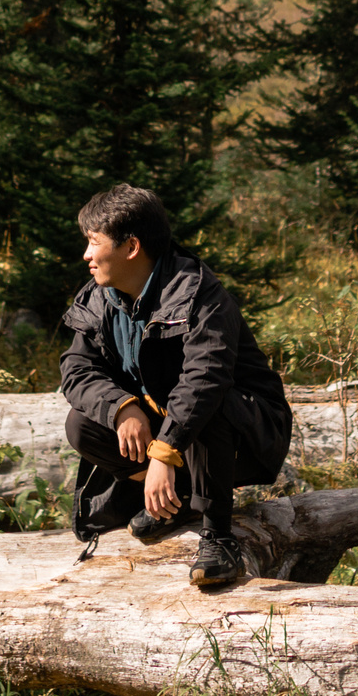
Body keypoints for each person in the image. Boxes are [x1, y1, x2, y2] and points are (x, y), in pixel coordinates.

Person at [58, 185, 292, 591]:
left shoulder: (199, 294)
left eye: (94, 242)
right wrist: (122, 407)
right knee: (82, 425)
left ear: (131, 247)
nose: (86, 255)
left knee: (210, 404)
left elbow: (206, 380)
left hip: (247, 430)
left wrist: (164, 453)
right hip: (173, 423)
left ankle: (219, 537)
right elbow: (76, 369)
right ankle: (178, 500)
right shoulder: (100, 298)